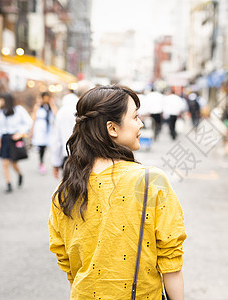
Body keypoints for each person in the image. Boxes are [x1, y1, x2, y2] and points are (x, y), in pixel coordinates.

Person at [49, 85, 186, 299]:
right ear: (112, 128)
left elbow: (68, 263)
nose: (140, 124)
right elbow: (171, 261)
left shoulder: (65, 189)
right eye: (135, 117)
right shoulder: (150, 181)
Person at [51, 81, 93, 179]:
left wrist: (55, 163)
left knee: (71, 189)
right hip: (87, 156)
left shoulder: (62, 111)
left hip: (68, 156)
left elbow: (56, 139)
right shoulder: (88, 109)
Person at [0, 93, 32, 193]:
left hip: (15, 138)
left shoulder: (19, 110)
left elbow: (28, 122)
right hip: (4, 138)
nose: (0, 102)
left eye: (1, 99)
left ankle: (19, 174)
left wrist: (20, 133)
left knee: (14, 162)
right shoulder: (0, 112)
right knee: (5, 162)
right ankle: (8, 183)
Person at [31, 92, 55, 175]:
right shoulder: (38, 107)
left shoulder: (50, 107)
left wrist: (52, 104)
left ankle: (42, 162)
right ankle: (41, 163)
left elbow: (56, 115)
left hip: (48, 130)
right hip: (40, 129)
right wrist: (31, 131)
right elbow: (34, 119)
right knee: (41, 147)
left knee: (44, 147)